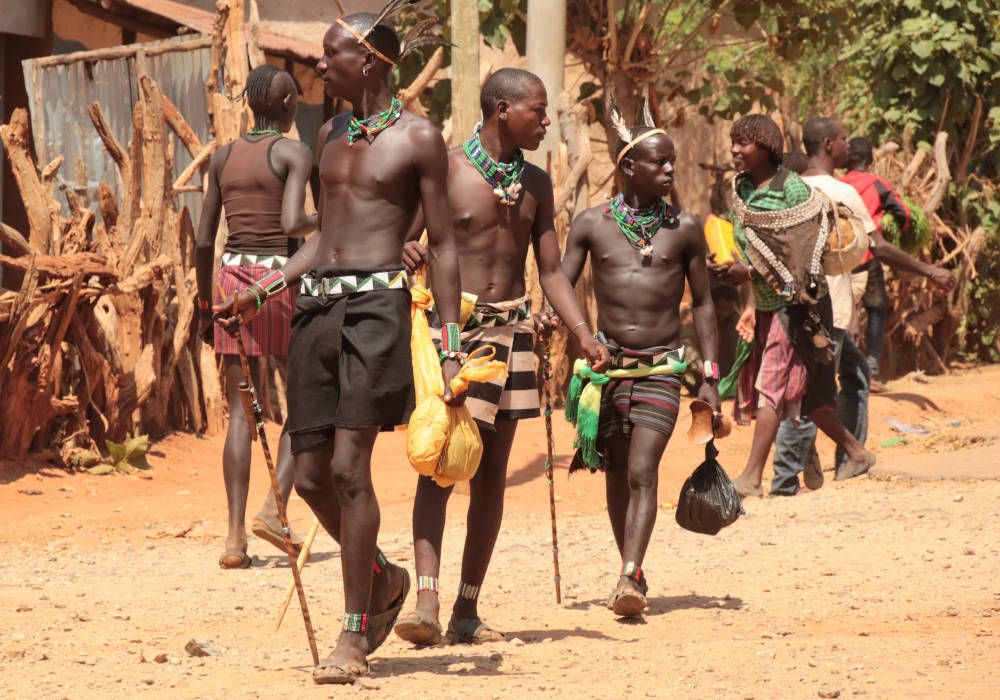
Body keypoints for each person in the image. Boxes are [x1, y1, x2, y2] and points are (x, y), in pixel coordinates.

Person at [214, 8, 464, 685]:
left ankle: (352, 635)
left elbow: (441, 244)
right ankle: (381, 577)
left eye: (332, 56)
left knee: (353, 468)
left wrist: (449, 340)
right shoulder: (327, 132)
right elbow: (323, 238)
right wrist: (263, 291)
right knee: (314, 473)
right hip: (316, 306)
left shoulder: (419, 139)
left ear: (373, 63)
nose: (321, 67)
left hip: (377, 309)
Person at [393, 68, 608, 646]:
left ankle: (466, 608)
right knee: (442, 461)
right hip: (455, 338)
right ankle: (426, 600)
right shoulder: (447, 171)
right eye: (536, 111)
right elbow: (406, 240)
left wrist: (582, 331)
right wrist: (406, 251)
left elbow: (553, 272)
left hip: (512, 336)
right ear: (501, 109)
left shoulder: (535, 183)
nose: (544, 121)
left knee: (490, 477)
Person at [551, 99, 721, 617]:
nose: (670, 170)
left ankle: (628, 576)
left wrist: (710, 376)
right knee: (618, 471)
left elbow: (706, 302)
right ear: (628, 167)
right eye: (659, 162)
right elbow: (559, 279)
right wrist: (576, 334)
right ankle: (632, 565)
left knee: (644, 469)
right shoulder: (591, 224)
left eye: (671, 162)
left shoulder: (686, 228)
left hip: (663, 369)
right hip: (607, 372)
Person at [709, 114, 875, 499]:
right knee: (812, 398)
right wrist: (743, 286)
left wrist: (747, 270)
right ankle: (856, 452)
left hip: (797, 305)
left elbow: (804, 255)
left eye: (743, 143)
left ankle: (751, 476)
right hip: (767, 305)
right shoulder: (743, 189)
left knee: (772, 387)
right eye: (733, 142)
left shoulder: (793, 190)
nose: (734, 150)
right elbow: (754, 248)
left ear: (765, 146)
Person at [195, 65, 313, 569]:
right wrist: (337, 218)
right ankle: (275, 508)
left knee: (244, 413)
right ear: (288, 107)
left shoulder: (222, 157)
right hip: (276, 282)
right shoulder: (292, 152)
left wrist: (206, 304)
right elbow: (292, 226)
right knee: (305, 399)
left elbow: (203, 240)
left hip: (229, 282)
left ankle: (233, 539)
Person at [841, 137, 954, 387]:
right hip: (868, 256)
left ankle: (844, 366)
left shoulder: (839, 184)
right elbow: (903, 212)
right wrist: (898, 230)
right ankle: (870, 363)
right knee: (877, 309)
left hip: (840, 261)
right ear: (870, 161)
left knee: (843, 311)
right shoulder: (877, 184)